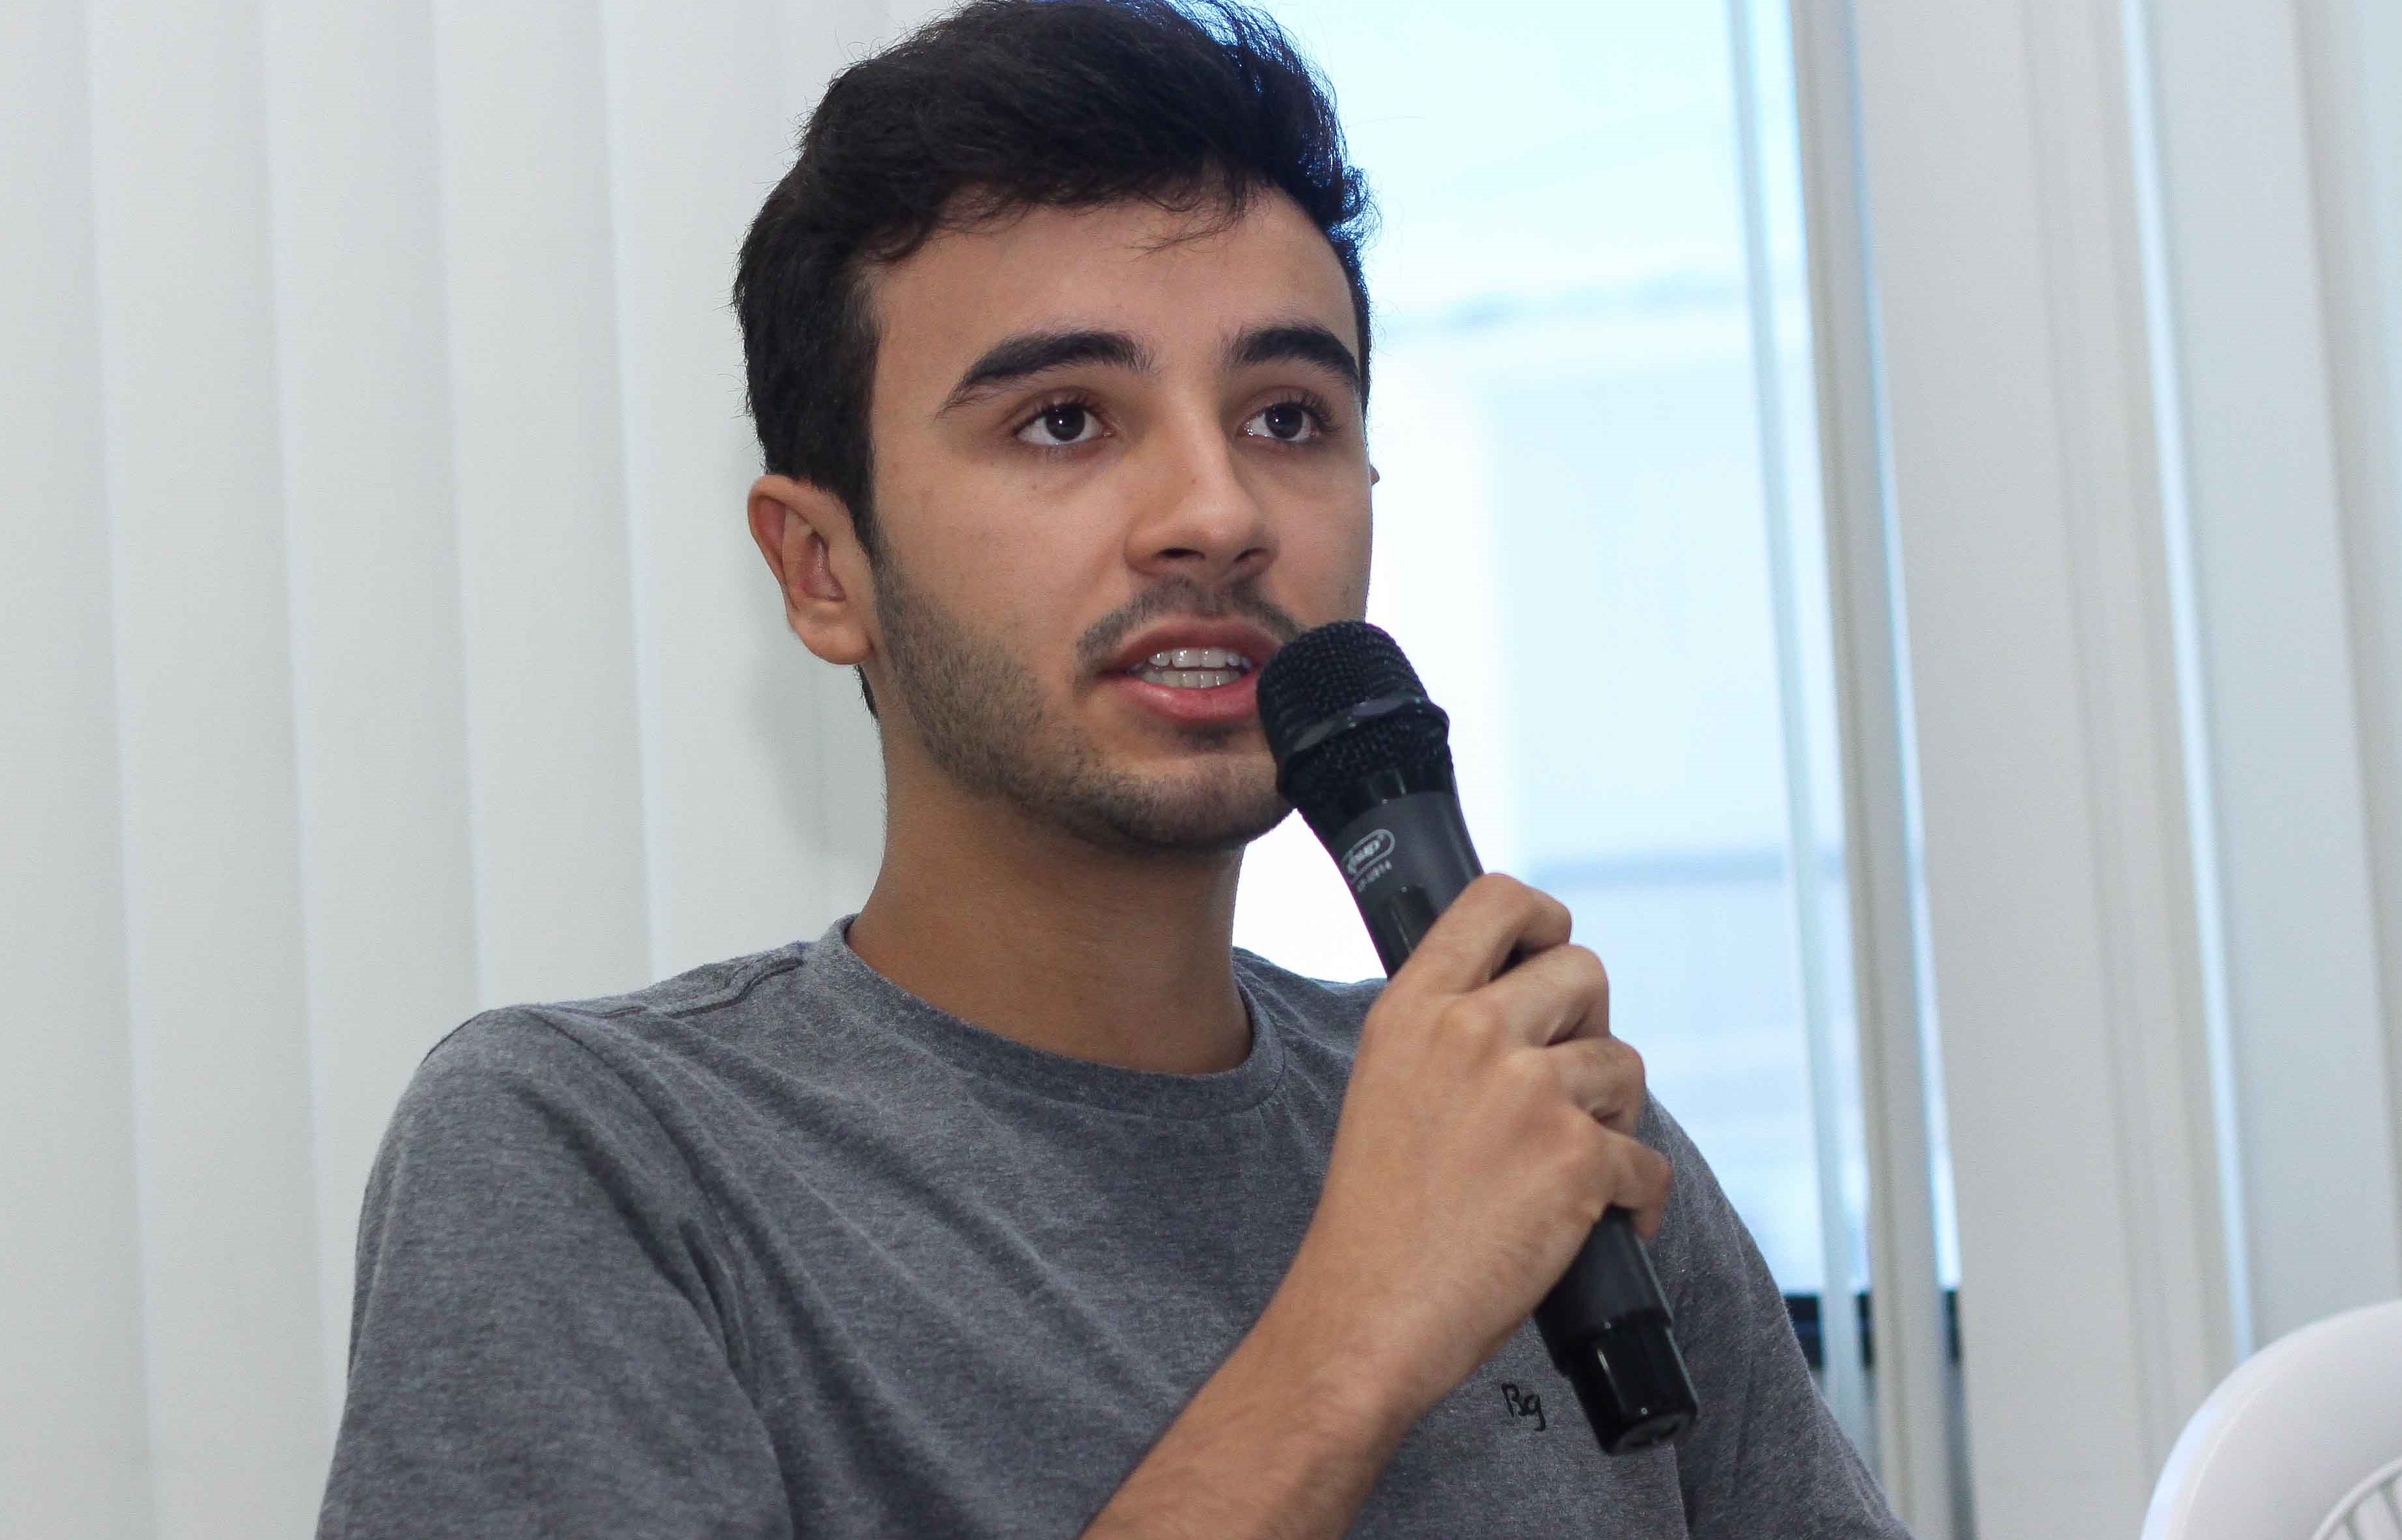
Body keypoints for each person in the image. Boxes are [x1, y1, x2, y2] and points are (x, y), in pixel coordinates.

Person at [316, 2, 1907, 1535]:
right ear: (821, 569)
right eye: (1065, 423)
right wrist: (1355, 1332)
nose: (1217, 514)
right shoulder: (600, 1153)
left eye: (1285, 417)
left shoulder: (1536, 1126)